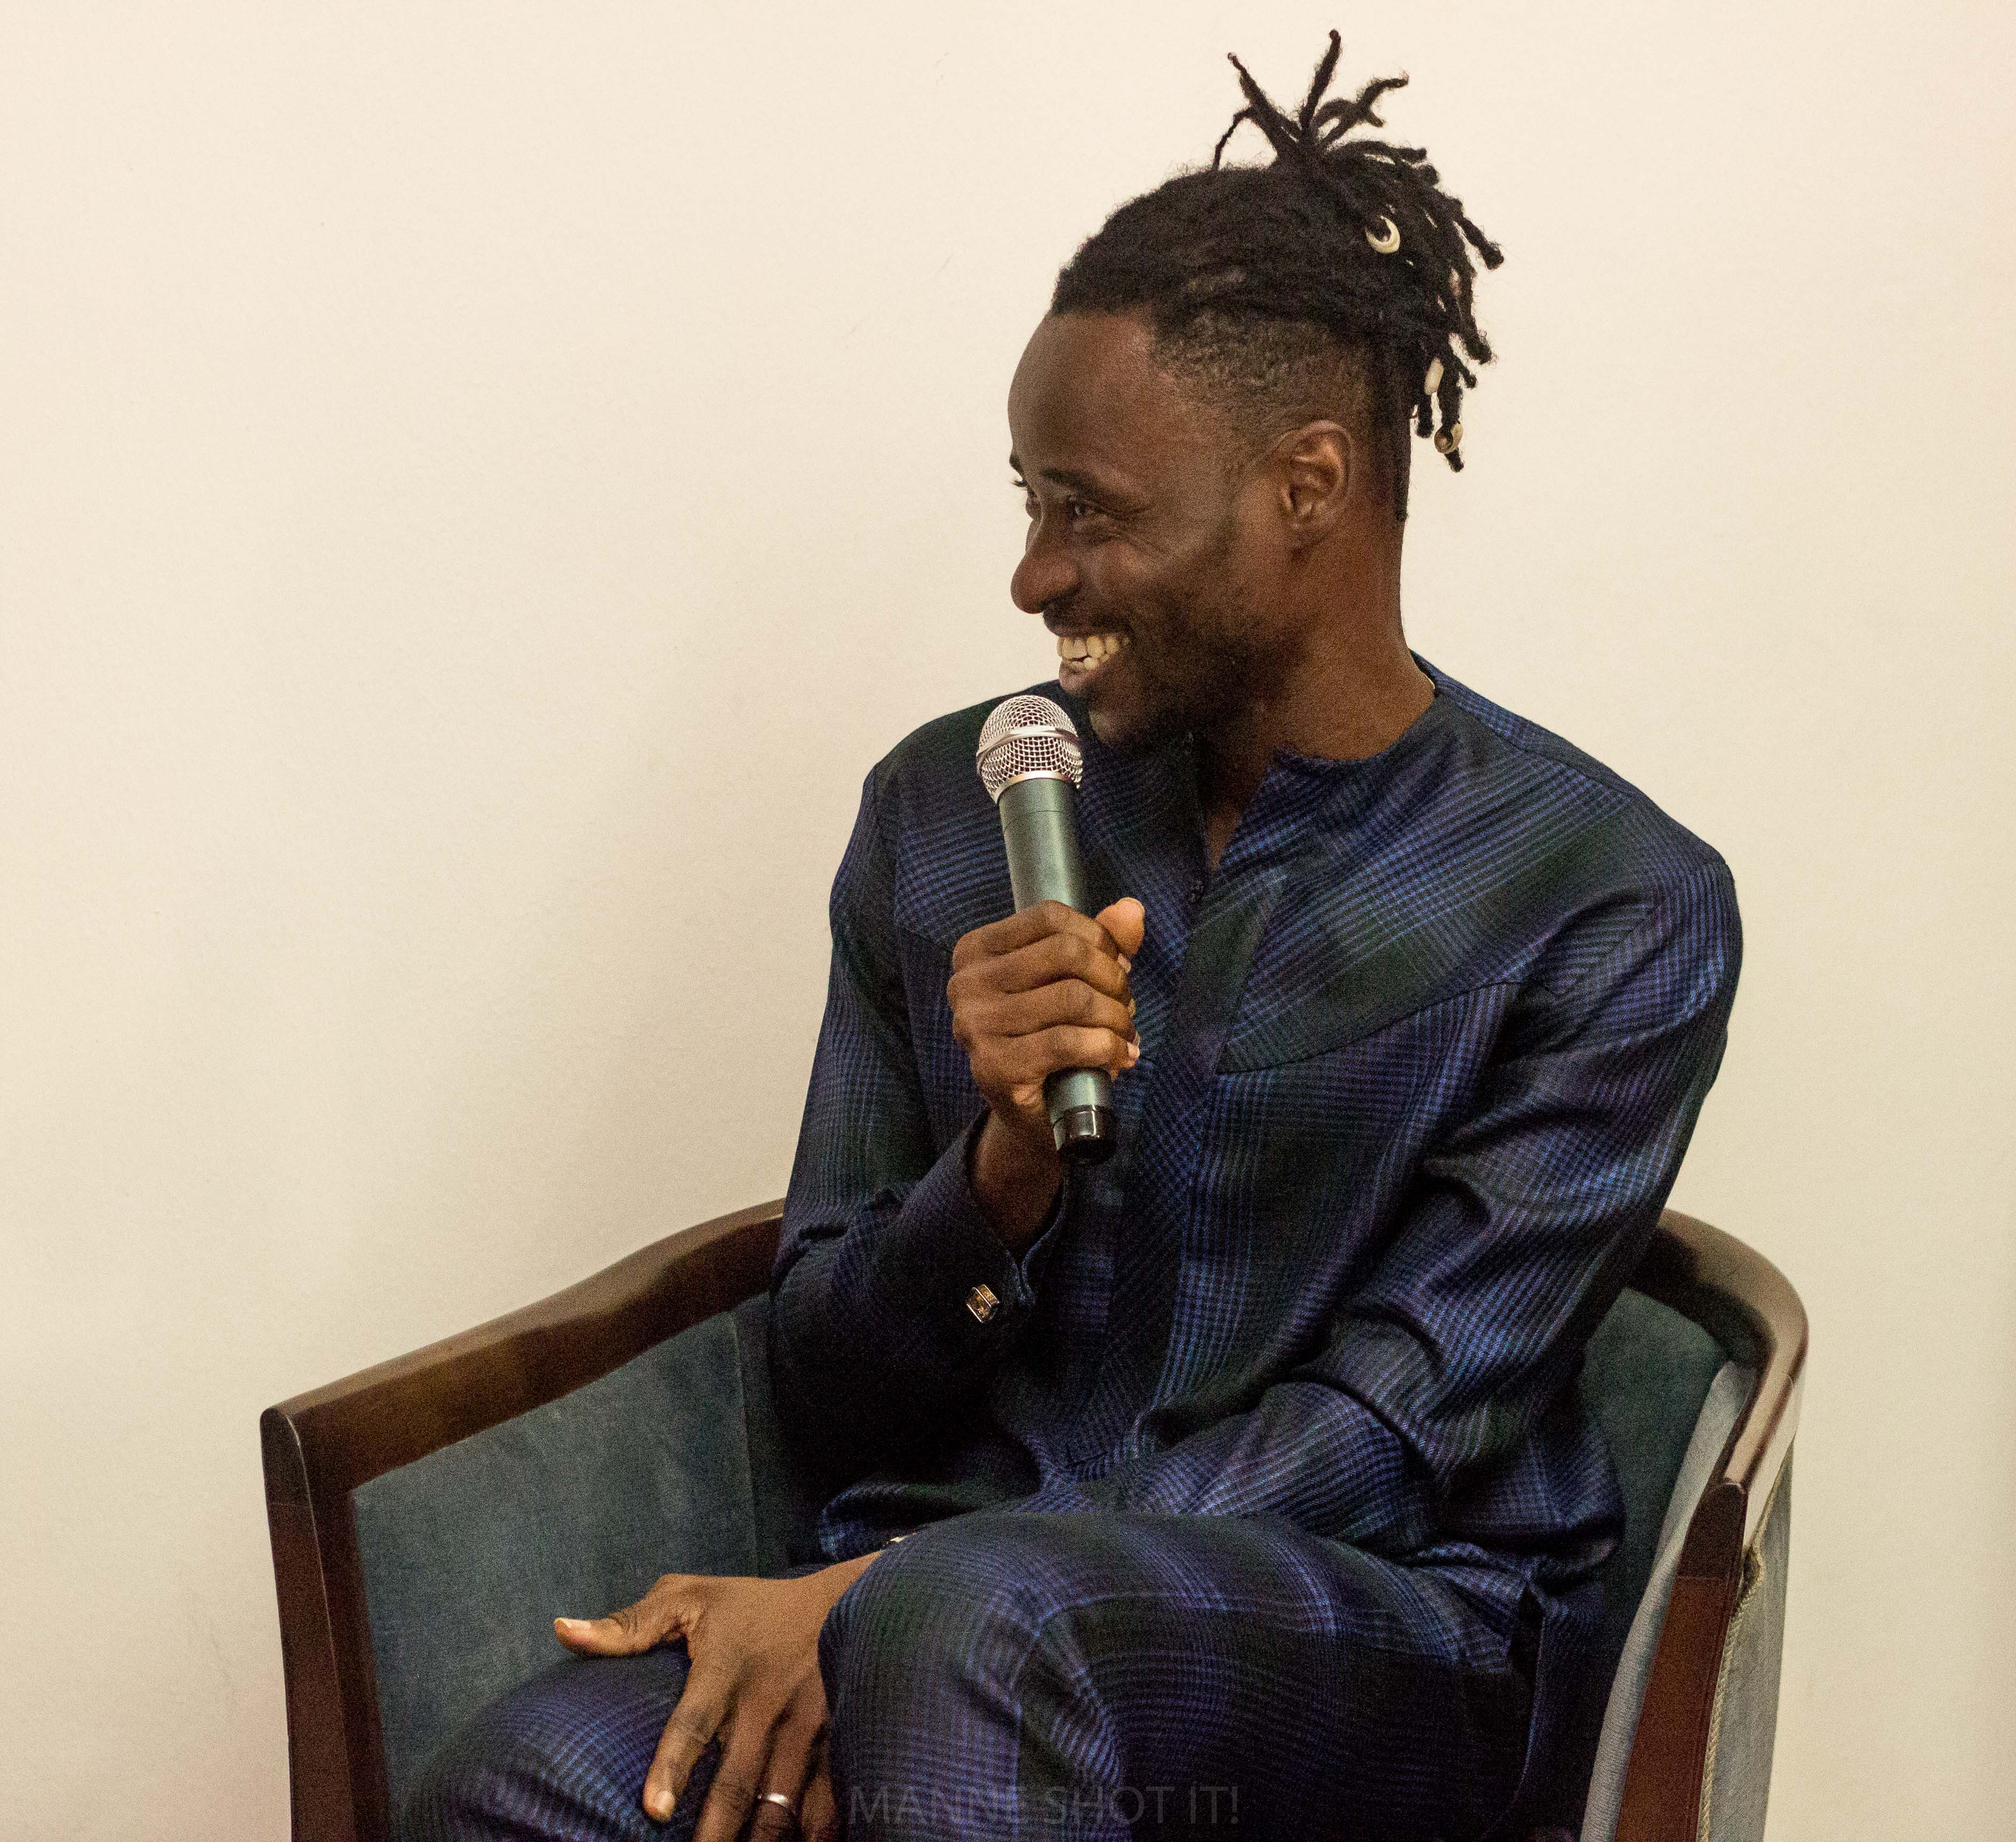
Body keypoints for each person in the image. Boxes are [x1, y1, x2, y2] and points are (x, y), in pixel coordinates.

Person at [405, 34, 1739, 1842]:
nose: (1033, 576)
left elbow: (1391, 1427)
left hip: (1377, 1646)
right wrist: (1002, 1174)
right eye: (1030, 503)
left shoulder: (1607, 897)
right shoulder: (946, 812)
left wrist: (873, 1603)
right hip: (957, 1617)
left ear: (1309, 485)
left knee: (974, 1620)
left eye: (1087, 513)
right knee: (527, 1788)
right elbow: (825, 1387)